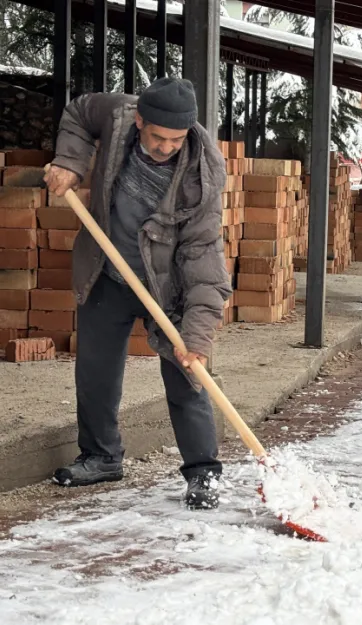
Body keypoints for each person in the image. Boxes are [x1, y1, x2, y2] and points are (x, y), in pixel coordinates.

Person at [43, 77, 232, 509]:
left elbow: (204, 261)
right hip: (108, 270)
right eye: (158, 137)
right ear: (140, 119)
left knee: (189, 375)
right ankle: (101, 457)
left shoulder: (202, 176)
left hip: (167, 287)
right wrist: (70, 161)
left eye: (176, 139)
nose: (167, 147)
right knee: (95, 372)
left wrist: (198, 338)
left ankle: (203, 473)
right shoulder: (117, 112)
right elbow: (77, 113)